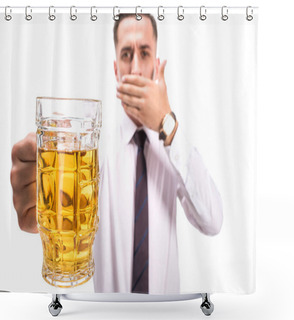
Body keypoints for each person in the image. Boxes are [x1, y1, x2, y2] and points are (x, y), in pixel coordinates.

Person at [10, 14, 223, 294]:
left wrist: (166, 123)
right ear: (115, 70)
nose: (135, 68)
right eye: (126, 54)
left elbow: (212, 221)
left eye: (144, 53)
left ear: (157, 66)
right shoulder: (93, 149)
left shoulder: (174, 146)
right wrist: (38, 190)